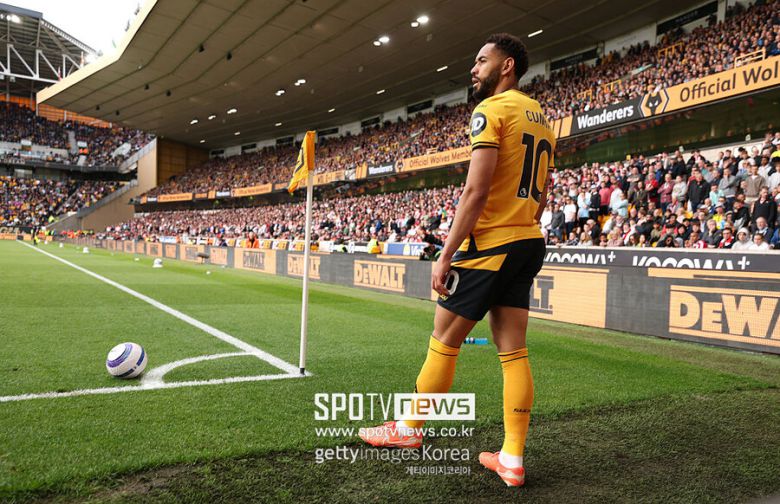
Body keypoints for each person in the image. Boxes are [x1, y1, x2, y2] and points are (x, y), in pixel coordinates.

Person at [359, 33, 555, 488]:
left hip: (490, 244)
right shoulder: (542, 118)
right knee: (513, 350)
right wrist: (520, 226)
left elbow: (475, 190)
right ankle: (512, 458)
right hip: (528, 239)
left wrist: (445, 254)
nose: (474, 68)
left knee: (444, 339)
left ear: (507, 66)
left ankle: (408, 428)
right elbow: (544, 192)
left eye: (482, 60)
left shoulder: (490, 110)